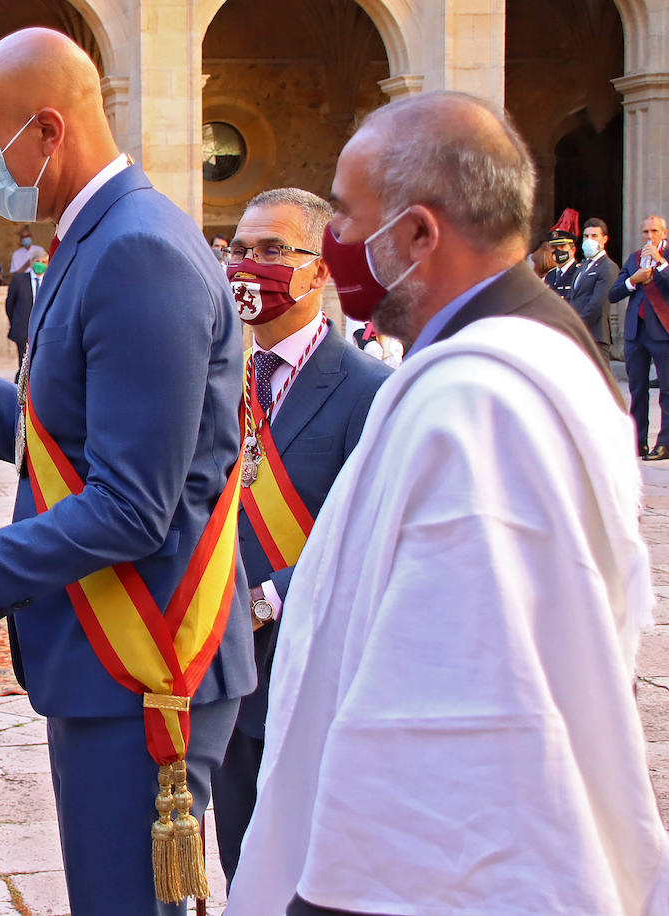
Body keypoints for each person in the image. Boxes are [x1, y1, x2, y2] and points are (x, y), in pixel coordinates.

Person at [228, 90, 669, 915]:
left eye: (350, 220)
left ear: (419, 234)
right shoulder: (522, 354)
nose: (337, 247)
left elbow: (456, 711)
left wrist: (334, 896)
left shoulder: (477, 403)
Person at [0, 29, 253, 915]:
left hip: (143, 649)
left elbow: (133, 504)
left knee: (127, 902)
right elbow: (88, 429)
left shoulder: (137, 250)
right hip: (102, 649)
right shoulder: (93, 233)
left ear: (47, 131)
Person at [209, 188, 390, 889]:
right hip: (222, 672)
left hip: (307, 671)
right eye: (241, 250)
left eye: (274, 250)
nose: (251, 266)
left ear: (320, 270)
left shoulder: (368, 391)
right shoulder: (213, 379)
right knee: (241, 868)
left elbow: (369, 533)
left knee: (309, 876)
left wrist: (270, 597)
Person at [610, 214, 669, 460]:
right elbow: (614, 294)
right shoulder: (634, 259)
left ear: (663, 233)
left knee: (666, 390)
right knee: (637, 389)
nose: (649, 236)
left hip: (662, 332)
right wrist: (632, 282)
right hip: (636, 332)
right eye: (645, 232)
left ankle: (664, 443)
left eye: (654, 231)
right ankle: (638, 442)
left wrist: (661, 264)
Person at [570, 217, 617, 363]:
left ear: (604, 239)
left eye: (594, 236)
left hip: (595, 335)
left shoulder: (608, 267)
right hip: (578, 334)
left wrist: (576, 325)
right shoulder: (582, 266)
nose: (589, 240)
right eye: (586, 236)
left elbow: (597, 304)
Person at [4, 247, 46, 370]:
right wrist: (16, 321)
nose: (40, 264)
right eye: (38, 261)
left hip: (44, 328)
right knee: (24, 364)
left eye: (44, 262)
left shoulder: (51, 279)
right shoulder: (19, 280)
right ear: (31, 262)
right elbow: (10, 304)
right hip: (23, 328)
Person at [543, 207, 581, 301]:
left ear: (572, 249)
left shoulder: (579, 273)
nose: (558, 251)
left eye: (562, 247)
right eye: (554, 248)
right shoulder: (550, 275)